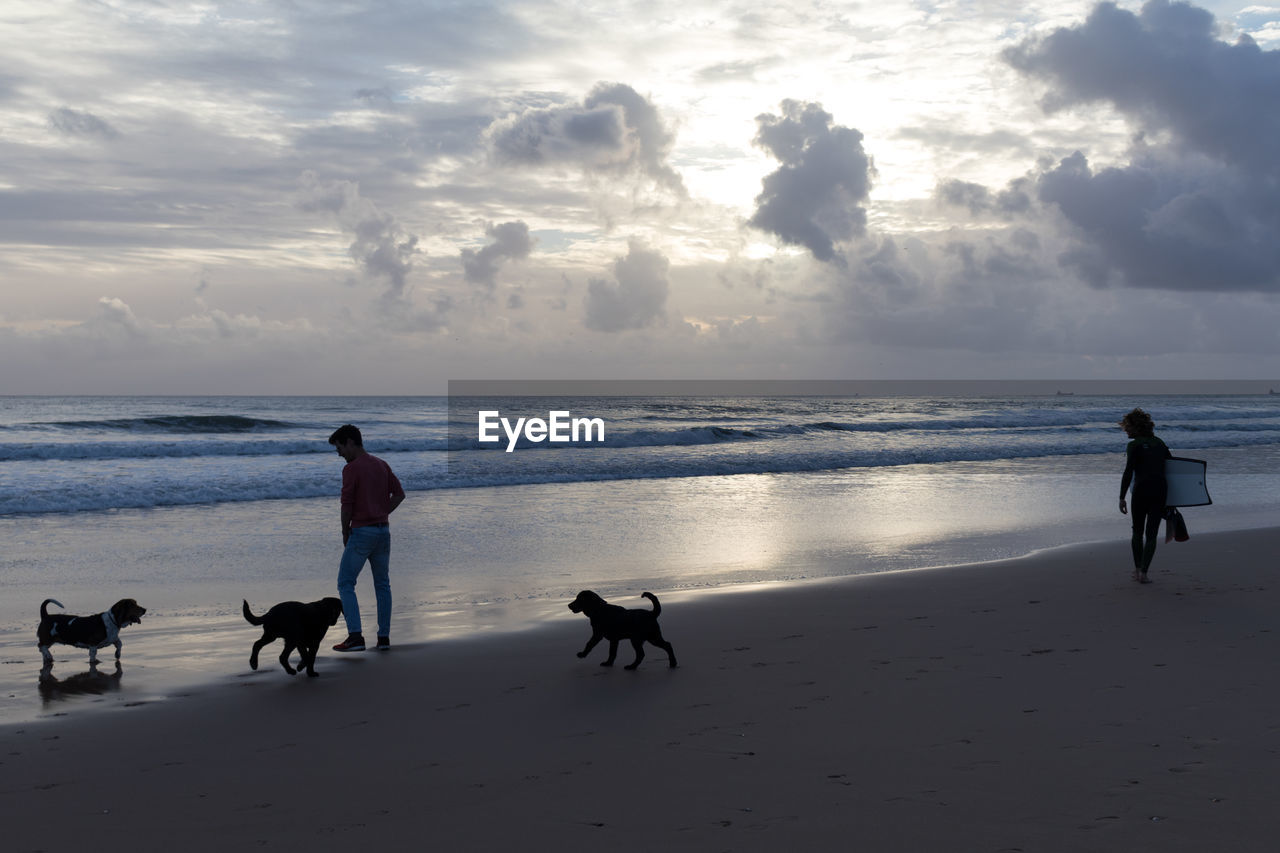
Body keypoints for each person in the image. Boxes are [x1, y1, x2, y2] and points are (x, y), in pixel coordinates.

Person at [328, 424, 405, 651]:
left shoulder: (352, 469)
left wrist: (345, 531)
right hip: (383, 531)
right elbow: (399, 494)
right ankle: (383, 638)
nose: (339, 453)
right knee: (382, 584)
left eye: (339, 447)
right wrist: (381, 512)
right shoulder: (381, 464)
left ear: (350, 442)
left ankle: (355, 636)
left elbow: (347, 506)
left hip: (362, 533)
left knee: (345, 583)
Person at [1118, 408, 1170, 584]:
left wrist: (1122, 497)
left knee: (1137, 531)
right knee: (1152, 534)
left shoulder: (1134, 445)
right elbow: (1173, 468)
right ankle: (1144, 574)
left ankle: (1138, 569)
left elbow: (1128, 472)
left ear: (1135, 427)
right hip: (1160, 491)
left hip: (1141, 491)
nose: (1125, 430)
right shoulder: (1160, 443)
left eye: (1127, 427)